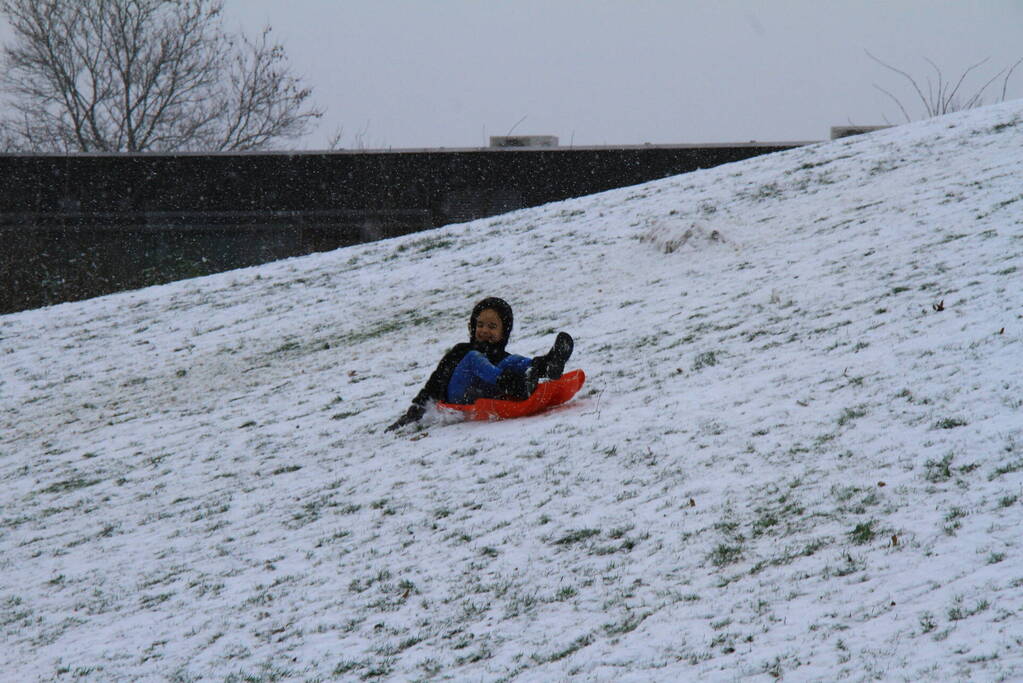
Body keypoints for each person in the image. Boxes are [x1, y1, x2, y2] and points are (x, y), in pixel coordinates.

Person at [386, 297, 573, 431]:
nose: (484, 330)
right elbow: (435, 382)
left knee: (512, 361)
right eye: (480, 325)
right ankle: (517, 385)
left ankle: (547, 365)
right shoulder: (462, 350)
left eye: (492, 327)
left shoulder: (501, 357)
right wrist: (415, 410)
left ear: (504, 332)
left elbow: (509, 363)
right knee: (474, 358)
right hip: (457, 397)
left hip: (487, 391)